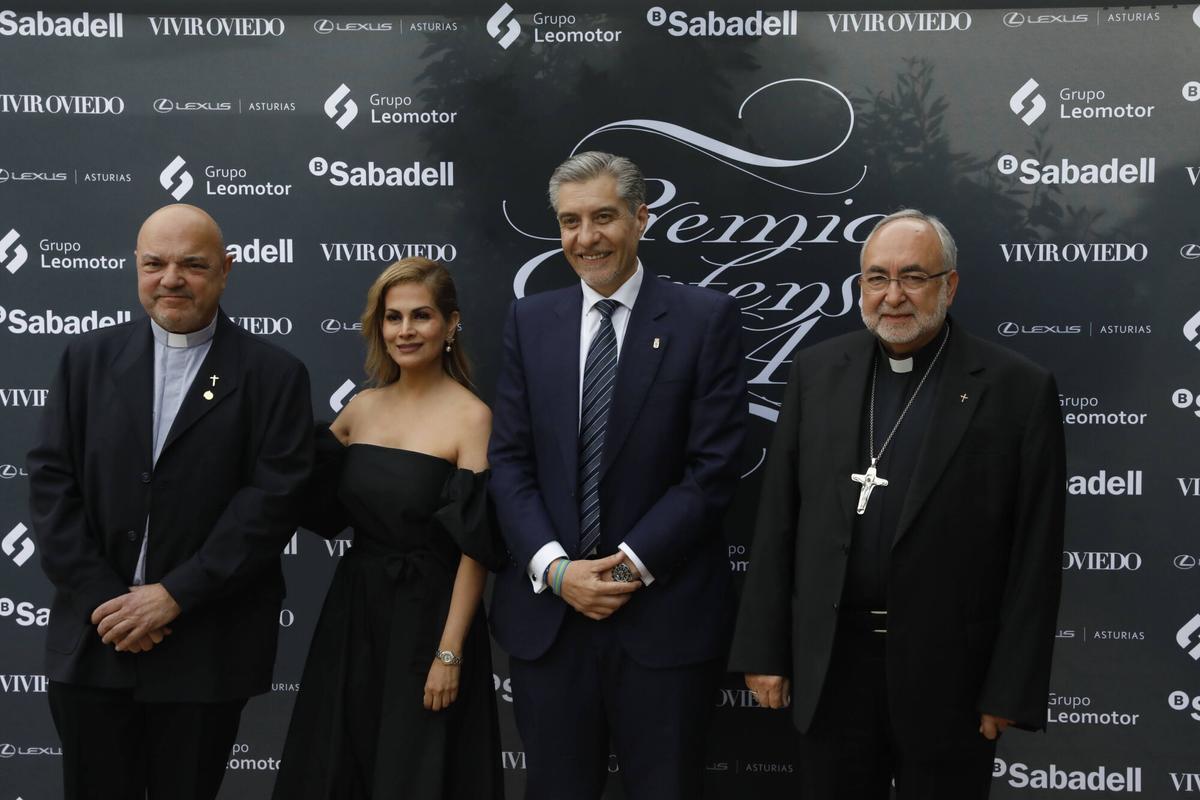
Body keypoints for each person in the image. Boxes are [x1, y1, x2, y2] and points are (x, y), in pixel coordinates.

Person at [729, 209, 1066, 799]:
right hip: (831, 666)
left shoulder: (1017, 388)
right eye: (876, 278)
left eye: (913, 277)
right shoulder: (816, 372)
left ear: (949, 285)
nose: (892, 297)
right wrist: (765, 650)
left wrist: (1008, 687)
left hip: (951, 676)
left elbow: (1035, 553)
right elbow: (778, 519)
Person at [26, 203, 313, 800]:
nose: (171, 279)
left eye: (192, 264)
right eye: (155, 263)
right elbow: (53, 486)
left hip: (205, 651)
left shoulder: (274, 374)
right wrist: (110, 604)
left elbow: (271, 503)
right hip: (95, 643)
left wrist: (174, 596)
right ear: (136, 266)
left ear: (226, 270)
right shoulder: (85, 362)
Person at [488, 151, 748, 800]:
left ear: (640, 218)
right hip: (552, 623)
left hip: (663, 624)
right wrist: (557, 571)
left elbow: (713, 471)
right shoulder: (529, 321)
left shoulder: (703, 319)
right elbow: (510, 462)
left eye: (604, 217)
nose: (586, 237)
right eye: (570, 222)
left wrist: (623, 571)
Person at [272, 258, 506, 800]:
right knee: (339, 762)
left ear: (450, 325)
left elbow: (475, 550)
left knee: (417, 768)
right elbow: (303, 491)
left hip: (431, 615)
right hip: (354, 612)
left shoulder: (473, 418)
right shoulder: (360, 408)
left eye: (420, 316)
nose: (405, 330)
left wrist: (449, 654)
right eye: (392, 317)